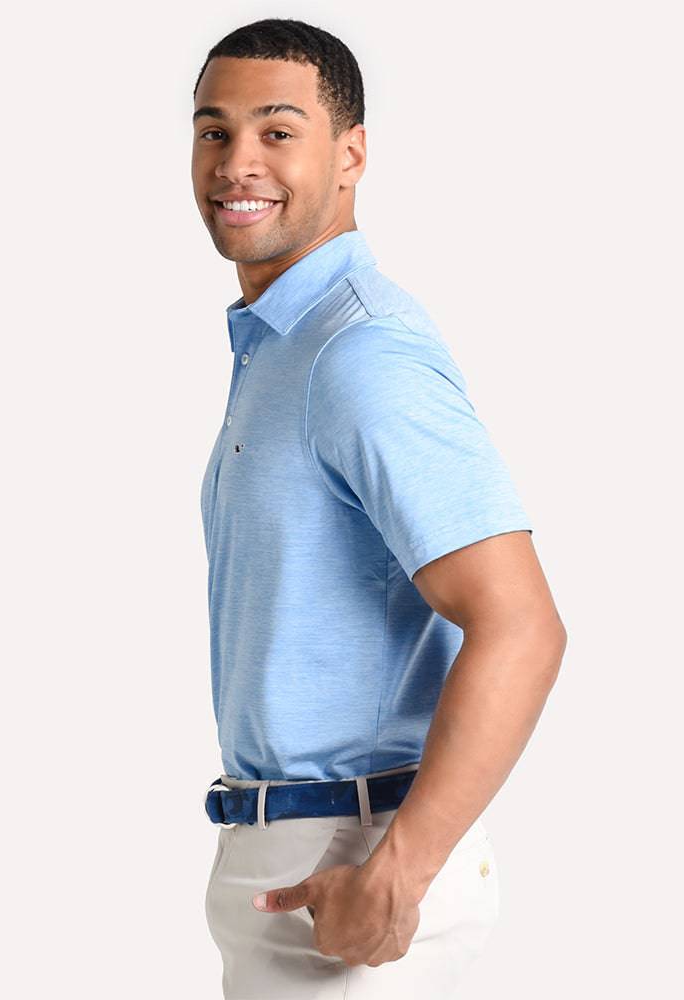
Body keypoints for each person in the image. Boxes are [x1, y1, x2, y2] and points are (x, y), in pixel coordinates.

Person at [191, 16, 567, 1000]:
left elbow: (522, 624)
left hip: (350, 864)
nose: (237, 163)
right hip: (288, 854)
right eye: (215, 130)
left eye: (278, 131)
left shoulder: (360, 354)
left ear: (351, 155)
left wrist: (397, 873)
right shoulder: (280, 344)